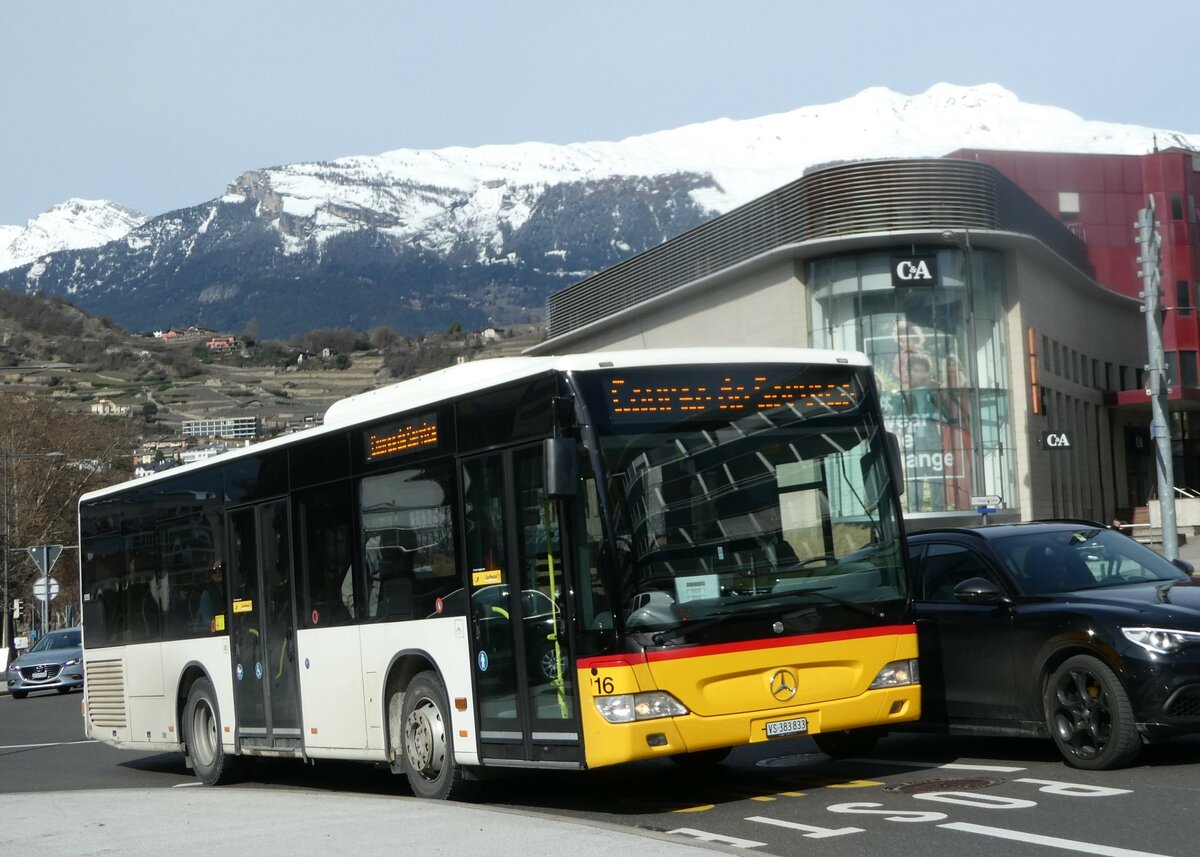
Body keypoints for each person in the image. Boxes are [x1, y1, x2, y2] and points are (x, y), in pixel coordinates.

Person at [196, 560, 225, 632]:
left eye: (221, 569)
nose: (218, 573)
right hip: (217, 633)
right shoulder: (207, 594)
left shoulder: (232, 589)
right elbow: (207, 621)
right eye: (215, 570)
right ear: (211, 574)